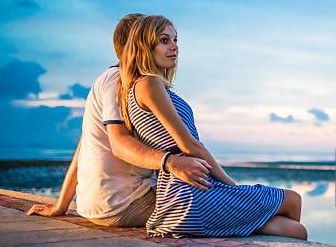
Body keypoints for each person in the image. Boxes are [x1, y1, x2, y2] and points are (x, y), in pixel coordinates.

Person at [118, 15, 307, 239]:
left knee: (296, 231)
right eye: (164, 40)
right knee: (292, 199)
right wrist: (232, 186)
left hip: (179, 203)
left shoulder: (138, 88)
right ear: (144, 46)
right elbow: (190, 145)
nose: (174, 47)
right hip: (189, 195)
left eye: (176, 40)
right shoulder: (149, 83)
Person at [26, 14, 212, 227]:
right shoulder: (117, 79)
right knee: (223, 206)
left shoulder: (114, 80)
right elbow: (119, 142)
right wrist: (171, 162)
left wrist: (61, 205)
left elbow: (83, 149)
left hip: (98, 203)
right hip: (125, 201)